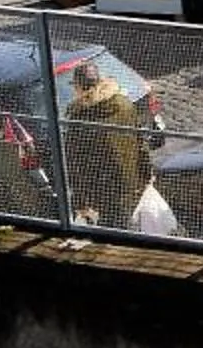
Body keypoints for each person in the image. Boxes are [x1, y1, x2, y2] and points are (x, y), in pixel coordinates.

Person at [64, 58, 152, 228]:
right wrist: (147, 173)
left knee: (113, 229)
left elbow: (75, 161)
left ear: (79, 87)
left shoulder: (80, 116)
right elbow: (140, 141)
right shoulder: (123, 104)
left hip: (102, 188)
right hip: (131, 180)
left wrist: (80, 200)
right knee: (132, 222)